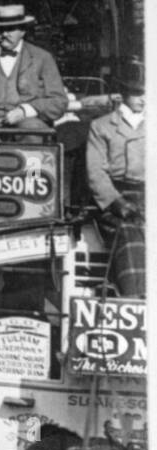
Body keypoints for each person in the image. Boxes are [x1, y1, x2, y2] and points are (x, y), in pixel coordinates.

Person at [86, 58, 145, 297]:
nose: (143, 98)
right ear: (124, 93)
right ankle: (138, 296)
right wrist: (115, 202)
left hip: (147, 193)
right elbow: (96, 172)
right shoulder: (102, 126)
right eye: (137, 93)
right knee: (129, 231)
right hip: (117, 197)